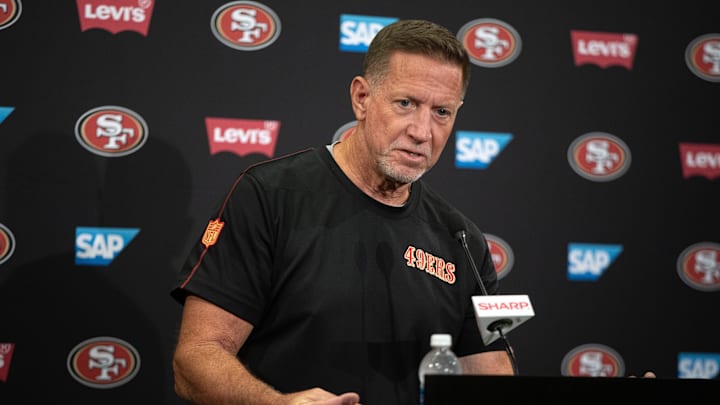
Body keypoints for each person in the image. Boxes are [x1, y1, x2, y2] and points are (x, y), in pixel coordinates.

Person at [171, 18, 592, 405]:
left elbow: (490, 380)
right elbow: (196, 358)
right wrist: (278, 404)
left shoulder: (461, 240)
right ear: (361, 98)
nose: (422, 131)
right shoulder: (269, 196)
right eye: (406, 103)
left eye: (441, 112)